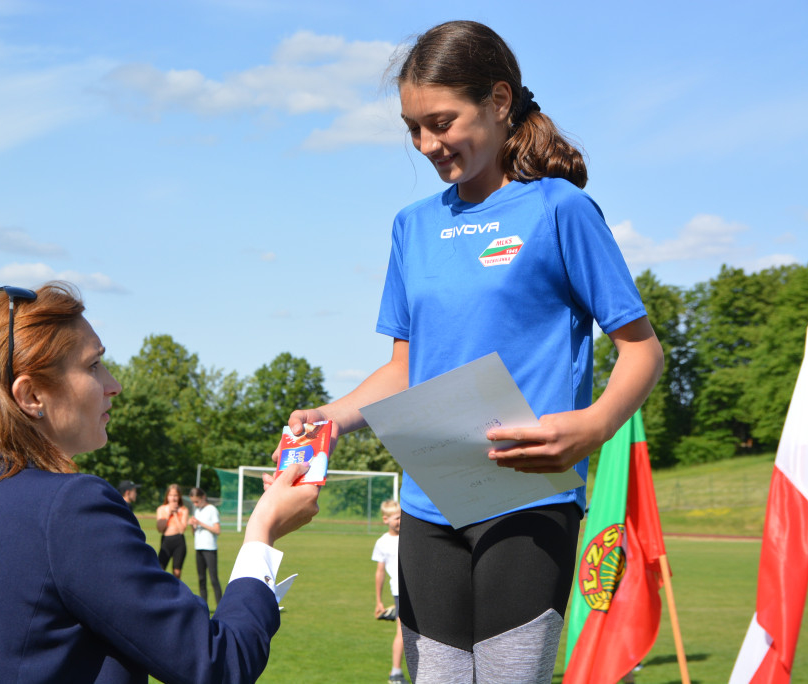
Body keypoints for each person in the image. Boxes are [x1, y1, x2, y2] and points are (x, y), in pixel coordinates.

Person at [277, 20, 664, 684]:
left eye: (442, 121)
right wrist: (334, 416)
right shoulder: (412, 227)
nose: (428, 144)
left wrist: (595, 426)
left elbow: (641, 350)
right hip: (429, 503)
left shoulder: (559, 210)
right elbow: (404, 368)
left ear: (500, 100)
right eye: (412, 129)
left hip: (526, 497)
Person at [0, 282, 320, 683]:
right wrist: (263, 533)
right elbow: (218, 663)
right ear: (30, 396)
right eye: (94, 365)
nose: (114, 385)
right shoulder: (70, 506)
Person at [372, 499, 406, 684]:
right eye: (396, 518)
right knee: (402, 631)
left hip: (415, 588)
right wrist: (378, 600)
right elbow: (379, 572)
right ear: (385, 519)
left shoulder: (410, 535)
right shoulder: (382, 542)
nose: (399, 521)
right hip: (399, 590)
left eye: (401, 517)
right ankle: (395, 673)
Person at [189, 486, 223, 609]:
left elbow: (217, 530)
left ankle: (220, 607)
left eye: (197, 501)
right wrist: (192, 525)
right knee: (201, 579)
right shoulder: (197, 511)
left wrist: (200, 523)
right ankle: (203, 607)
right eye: (193, 502)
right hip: (199, 547)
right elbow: (194, 533)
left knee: (213, 579)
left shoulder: (211, 509)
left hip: (210, 548)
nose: (195, 504)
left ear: (203, 497)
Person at [157, 483, 190, 578]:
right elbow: (160, 529)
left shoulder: (184, 510)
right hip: (166, 541)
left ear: (179, 496)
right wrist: (168, 513)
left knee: (177, 572)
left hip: (179, 542)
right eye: (171, 495)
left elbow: (182, 530)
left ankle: (176, 592)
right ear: (167, 496)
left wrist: (175, 514)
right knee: (160, 569)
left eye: (175, 495)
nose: (173, 498)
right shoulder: (161, 509)